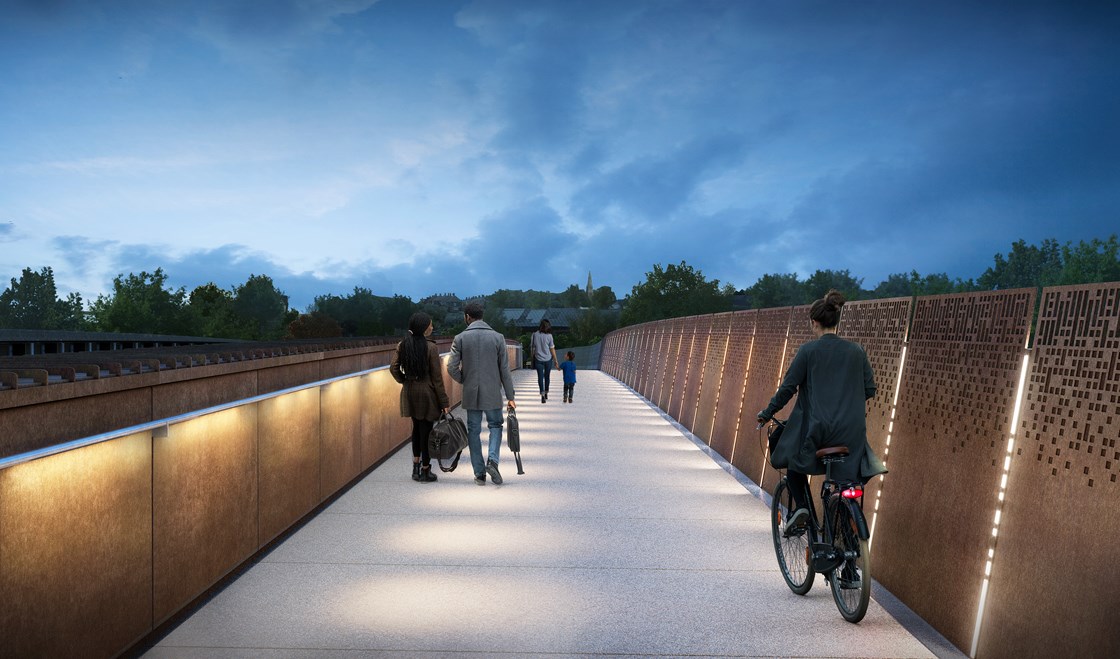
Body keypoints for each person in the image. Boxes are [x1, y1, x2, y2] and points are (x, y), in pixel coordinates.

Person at [756, 289, 886, 531]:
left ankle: (803, 507)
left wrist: (766, 413)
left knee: (791, 457)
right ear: (837, 320)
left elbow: (788, 389)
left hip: (817, 431)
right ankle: (848, 557)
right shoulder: (856, 352)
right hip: (851, 433)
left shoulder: (808, 351)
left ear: (814, 322)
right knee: (843, 482)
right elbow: (869, 389)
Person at [448, 301, 517, 485]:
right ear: (482, 316)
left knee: (474, 431)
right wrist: (511, 397)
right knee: (495, 426)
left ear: (467, 317)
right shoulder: (498, 337)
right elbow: (504, 369)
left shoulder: (460, 338)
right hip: (492, 391)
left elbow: (451, 367)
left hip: (471, 392)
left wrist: (465, 379)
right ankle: (492, 461)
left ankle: (479, 473)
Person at [390, 312, 450, 483]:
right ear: (423, 328)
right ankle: (426, 470)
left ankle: (415, 467)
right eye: (430, 325)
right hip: (427, 392)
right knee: (427, 431)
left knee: (416, 429)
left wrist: (404, 381)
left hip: (410, 391)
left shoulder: (403, 345)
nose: (432, 327)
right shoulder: (431, 348)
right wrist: (444, 402)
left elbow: (393, 368)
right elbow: (437, 379)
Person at [530, 319, 560, 403]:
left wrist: (532, 358)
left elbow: (532, 348)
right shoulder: (549, 336)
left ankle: (542, 394)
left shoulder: (534, 335)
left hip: (538, 359)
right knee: (547, 376)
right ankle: (546, 392)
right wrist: (556, 361)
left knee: (540, 377)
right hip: (548, 359)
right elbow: (552, 349)